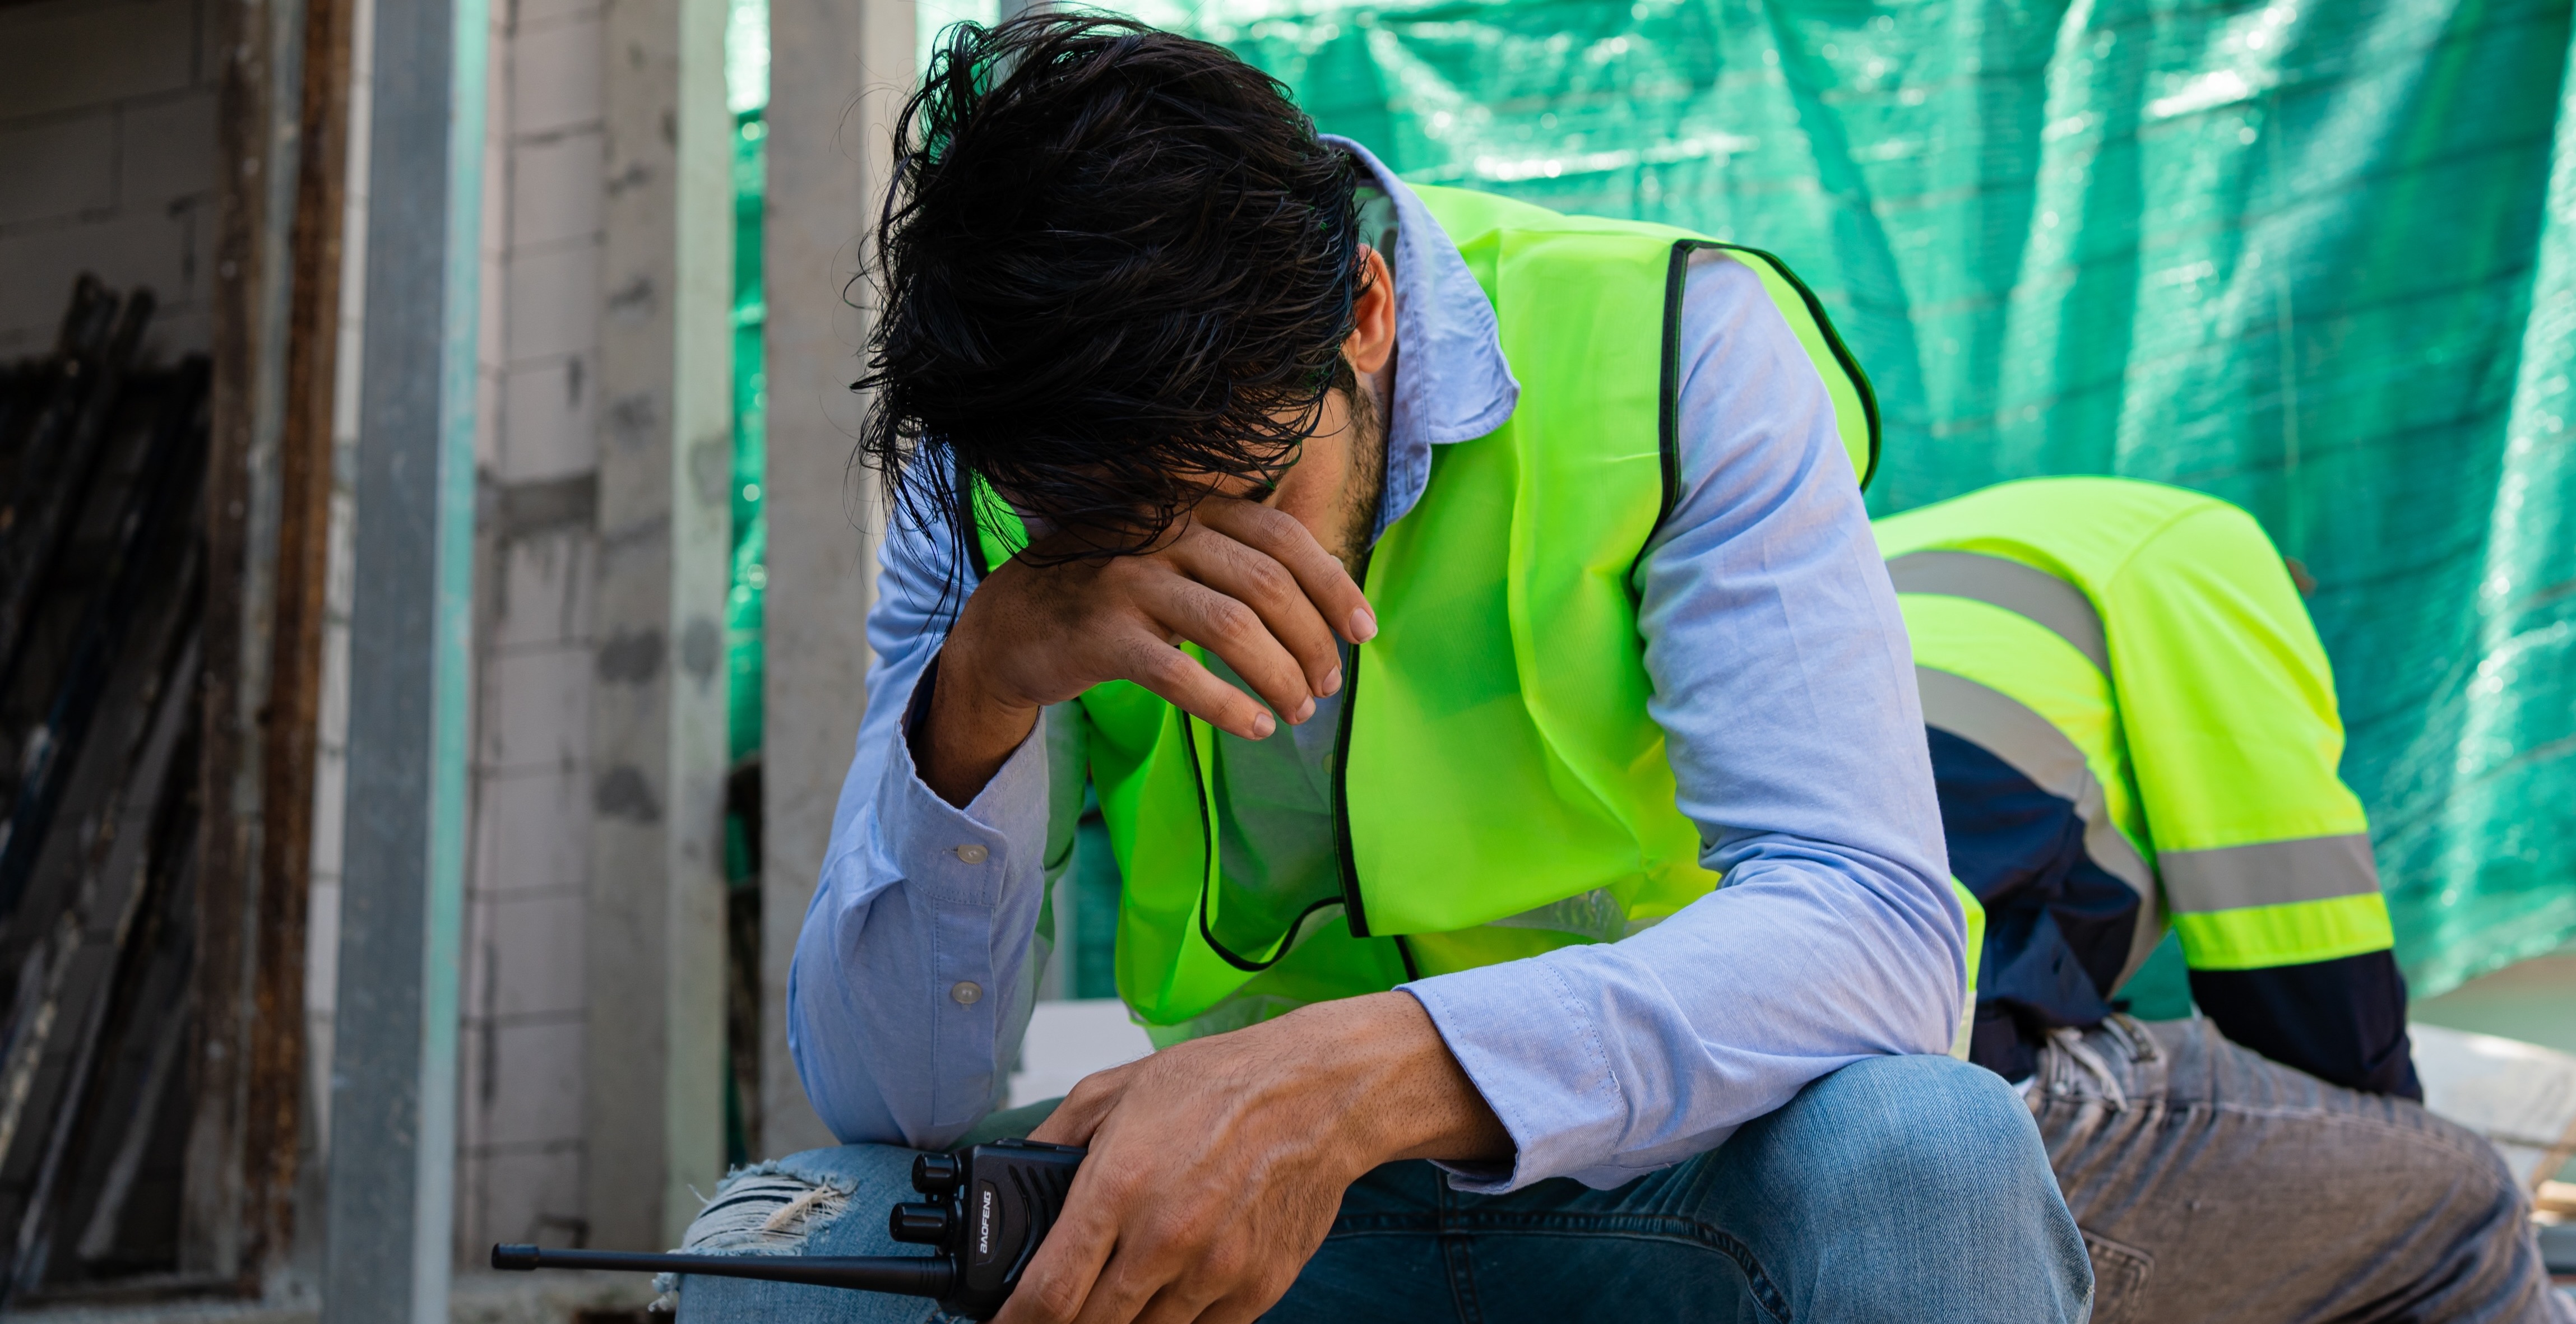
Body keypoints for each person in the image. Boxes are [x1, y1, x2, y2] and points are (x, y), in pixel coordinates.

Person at [675, 14, 2088, 1323]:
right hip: (1252, 1241)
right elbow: (892, 1097)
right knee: (779, 1254)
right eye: (1114, 539)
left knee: (1927, 1150)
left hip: (1661, 1179)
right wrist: (979, 690)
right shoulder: (987, 493)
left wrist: (1365, 1076)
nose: (1201, 589)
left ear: (1367, 313)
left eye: (1245, 499)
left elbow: (1878, 939)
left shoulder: (1676, 347)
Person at [1879, 475, 2576, 1324]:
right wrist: (2376, 1158)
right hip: (1937, 1123)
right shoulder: (2203, 553)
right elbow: (2306, 994)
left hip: (1703, 1111)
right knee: (2451, 1206)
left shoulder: (1874, 546)